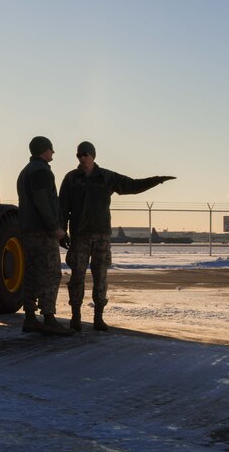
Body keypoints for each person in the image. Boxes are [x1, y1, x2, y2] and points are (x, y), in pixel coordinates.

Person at [59, 141, 175, 332]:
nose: (82, 158)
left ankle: (98, 317)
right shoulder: (71, 179)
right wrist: (62, 231)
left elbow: (132, 185)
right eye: (79, 155)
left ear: (93, 155)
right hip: (79, 236)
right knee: (77, 277)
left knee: (101, 277)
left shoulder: (106, 177)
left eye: (85, 154)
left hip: (102, 236)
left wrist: (156, 180)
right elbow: (62, 207)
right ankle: (76, 316)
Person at [16, 136, 75, 336]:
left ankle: (30, 318)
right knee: (51, 273)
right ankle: (49, 318)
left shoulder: (26, 171)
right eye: (51, 149)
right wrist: (55, 228)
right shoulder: (41, 171)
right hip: (42, 232)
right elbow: (43, 202)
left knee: (31, 273)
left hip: (28, 231)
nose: (53, 153)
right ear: (44, 150)